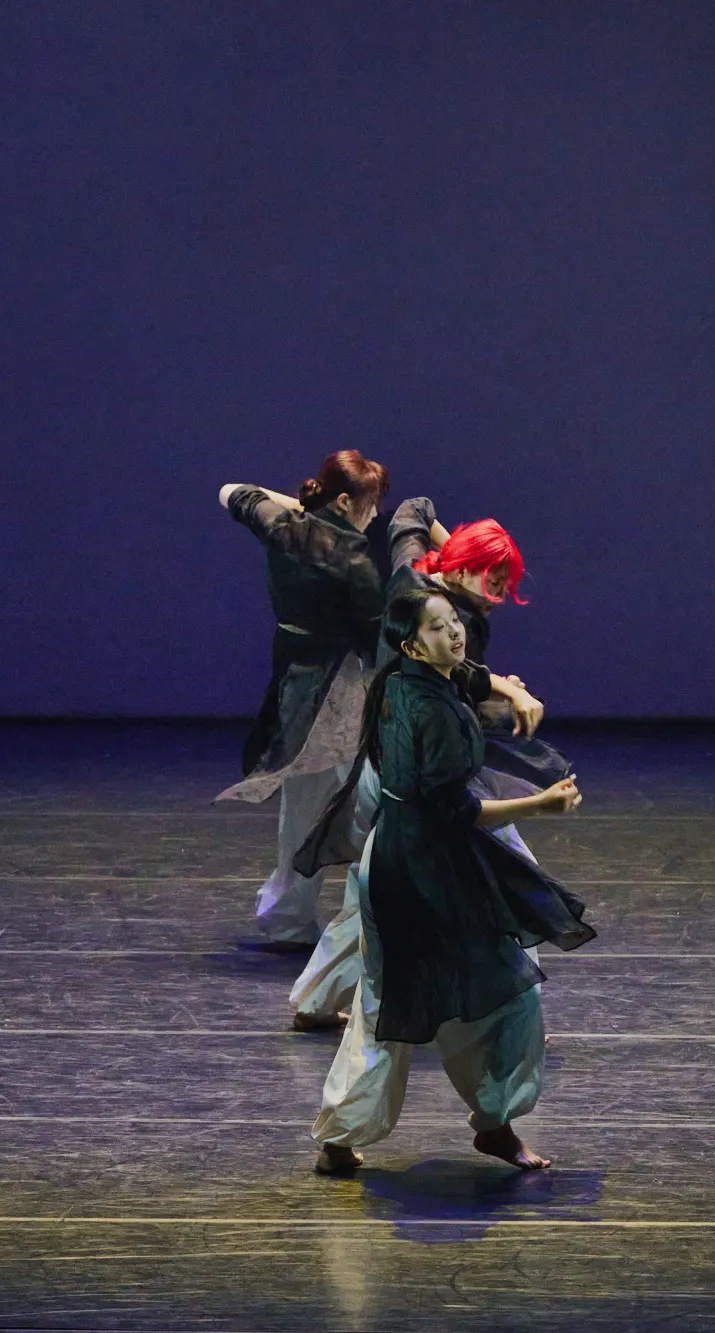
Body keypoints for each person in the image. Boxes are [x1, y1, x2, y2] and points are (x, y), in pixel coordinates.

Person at [311, 587, 592, 1175]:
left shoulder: (407, 678)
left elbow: (467, 675)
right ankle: (467, 1124)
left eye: (454, 621)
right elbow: (453, 812)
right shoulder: (428, 711)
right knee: (415, 1002)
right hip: (416, 870)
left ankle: (483, 1125)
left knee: (435, 998)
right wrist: (538, 805)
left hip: (414, 857)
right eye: (438, 628)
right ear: (413, 645)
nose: (456, 633)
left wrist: (512, 690)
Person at [289, 501, 565, 1029]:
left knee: (376, 892)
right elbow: (447, 707)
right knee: (508, 878)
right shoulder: (452, 629)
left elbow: (411, 512)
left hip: (383, 769)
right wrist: (504, 697)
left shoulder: (410, 577)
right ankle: (514, 1018)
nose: (497, 595)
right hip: (416, 777)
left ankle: (316, 1000)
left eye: (505, 582)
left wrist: (465, 553)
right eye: (492, 580)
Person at [217, 451, 389, 948]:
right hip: (341, 691)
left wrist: (302, 509)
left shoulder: (281, 528)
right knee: (370, 803)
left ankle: (288, 918)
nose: (375, 513)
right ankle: (378, 914)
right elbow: (377, 638)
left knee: (304, 806)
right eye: (370, 502)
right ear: (345, 501)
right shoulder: (353, 559)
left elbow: (232, 490)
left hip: (296, 684)